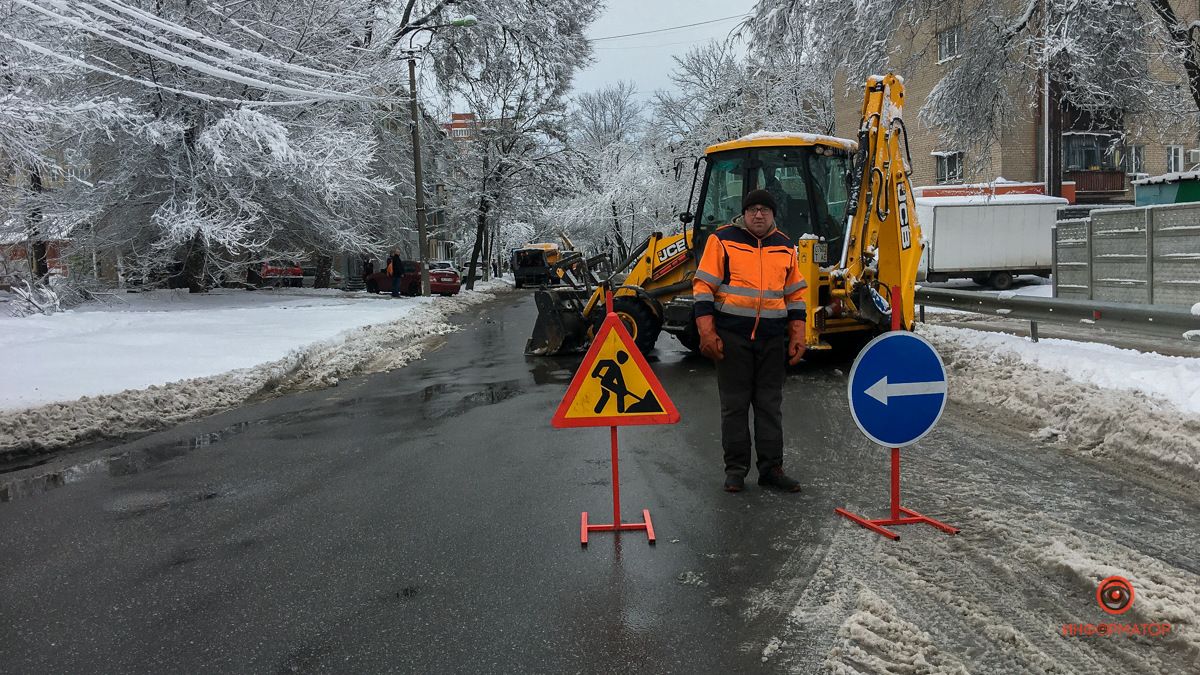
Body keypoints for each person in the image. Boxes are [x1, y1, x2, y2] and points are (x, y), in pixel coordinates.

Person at [692, 189, 808, 493]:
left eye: (765, 210)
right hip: (732, 339)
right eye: (753, 209)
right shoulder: (722, 240)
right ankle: (735, 471)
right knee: (735, 406)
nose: (759, 214)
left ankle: (771, 469)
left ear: (773, 214)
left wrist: (797, 334)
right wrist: (707, 331)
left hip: (772, 340)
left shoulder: (785, 246)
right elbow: (703, 286)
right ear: (744, 213)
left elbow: (795, 295)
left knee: (770, 406)